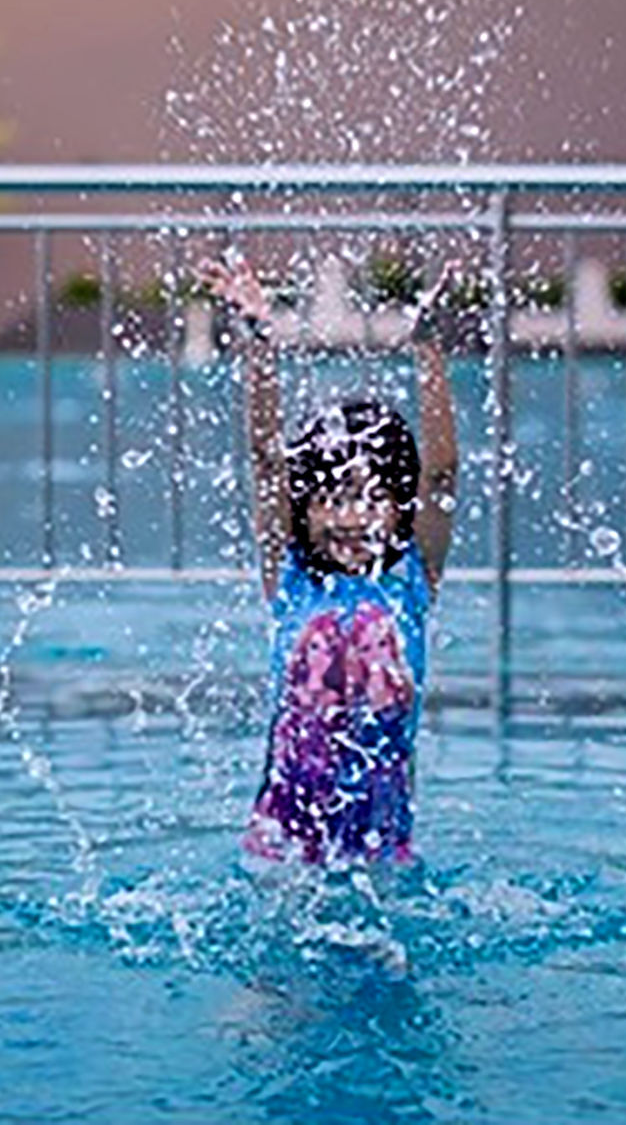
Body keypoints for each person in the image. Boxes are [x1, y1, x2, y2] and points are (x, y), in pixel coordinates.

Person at [202, 252, 459, 867]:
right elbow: (266, 461)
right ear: (305, 507)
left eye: (374, 498)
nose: (352, 518)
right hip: (283, 844)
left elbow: (443, 470)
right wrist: (260, 344)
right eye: (332, 499)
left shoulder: (413, 581)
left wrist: (428, 350)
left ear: (402, 506)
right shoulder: (290, 579)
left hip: (382, 847)